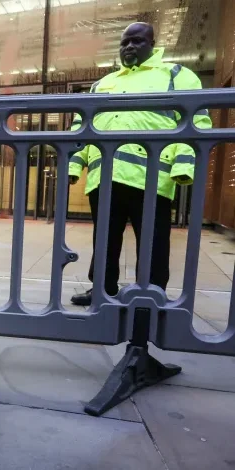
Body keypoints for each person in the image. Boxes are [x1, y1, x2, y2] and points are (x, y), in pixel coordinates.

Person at [68, 22, 212, 306]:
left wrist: (183, 166)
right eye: (124, 43)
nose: (129, 47)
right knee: (105, 239)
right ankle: (102, 289)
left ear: (152, 44)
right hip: (105, 176)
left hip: (151, 177)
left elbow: (196, 121)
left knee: (153, 242)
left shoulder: (177, 75)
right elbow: (81, 126)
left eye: (136, 41)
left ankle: (151, 293)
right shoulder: (103, 83)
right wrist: (75, 164)